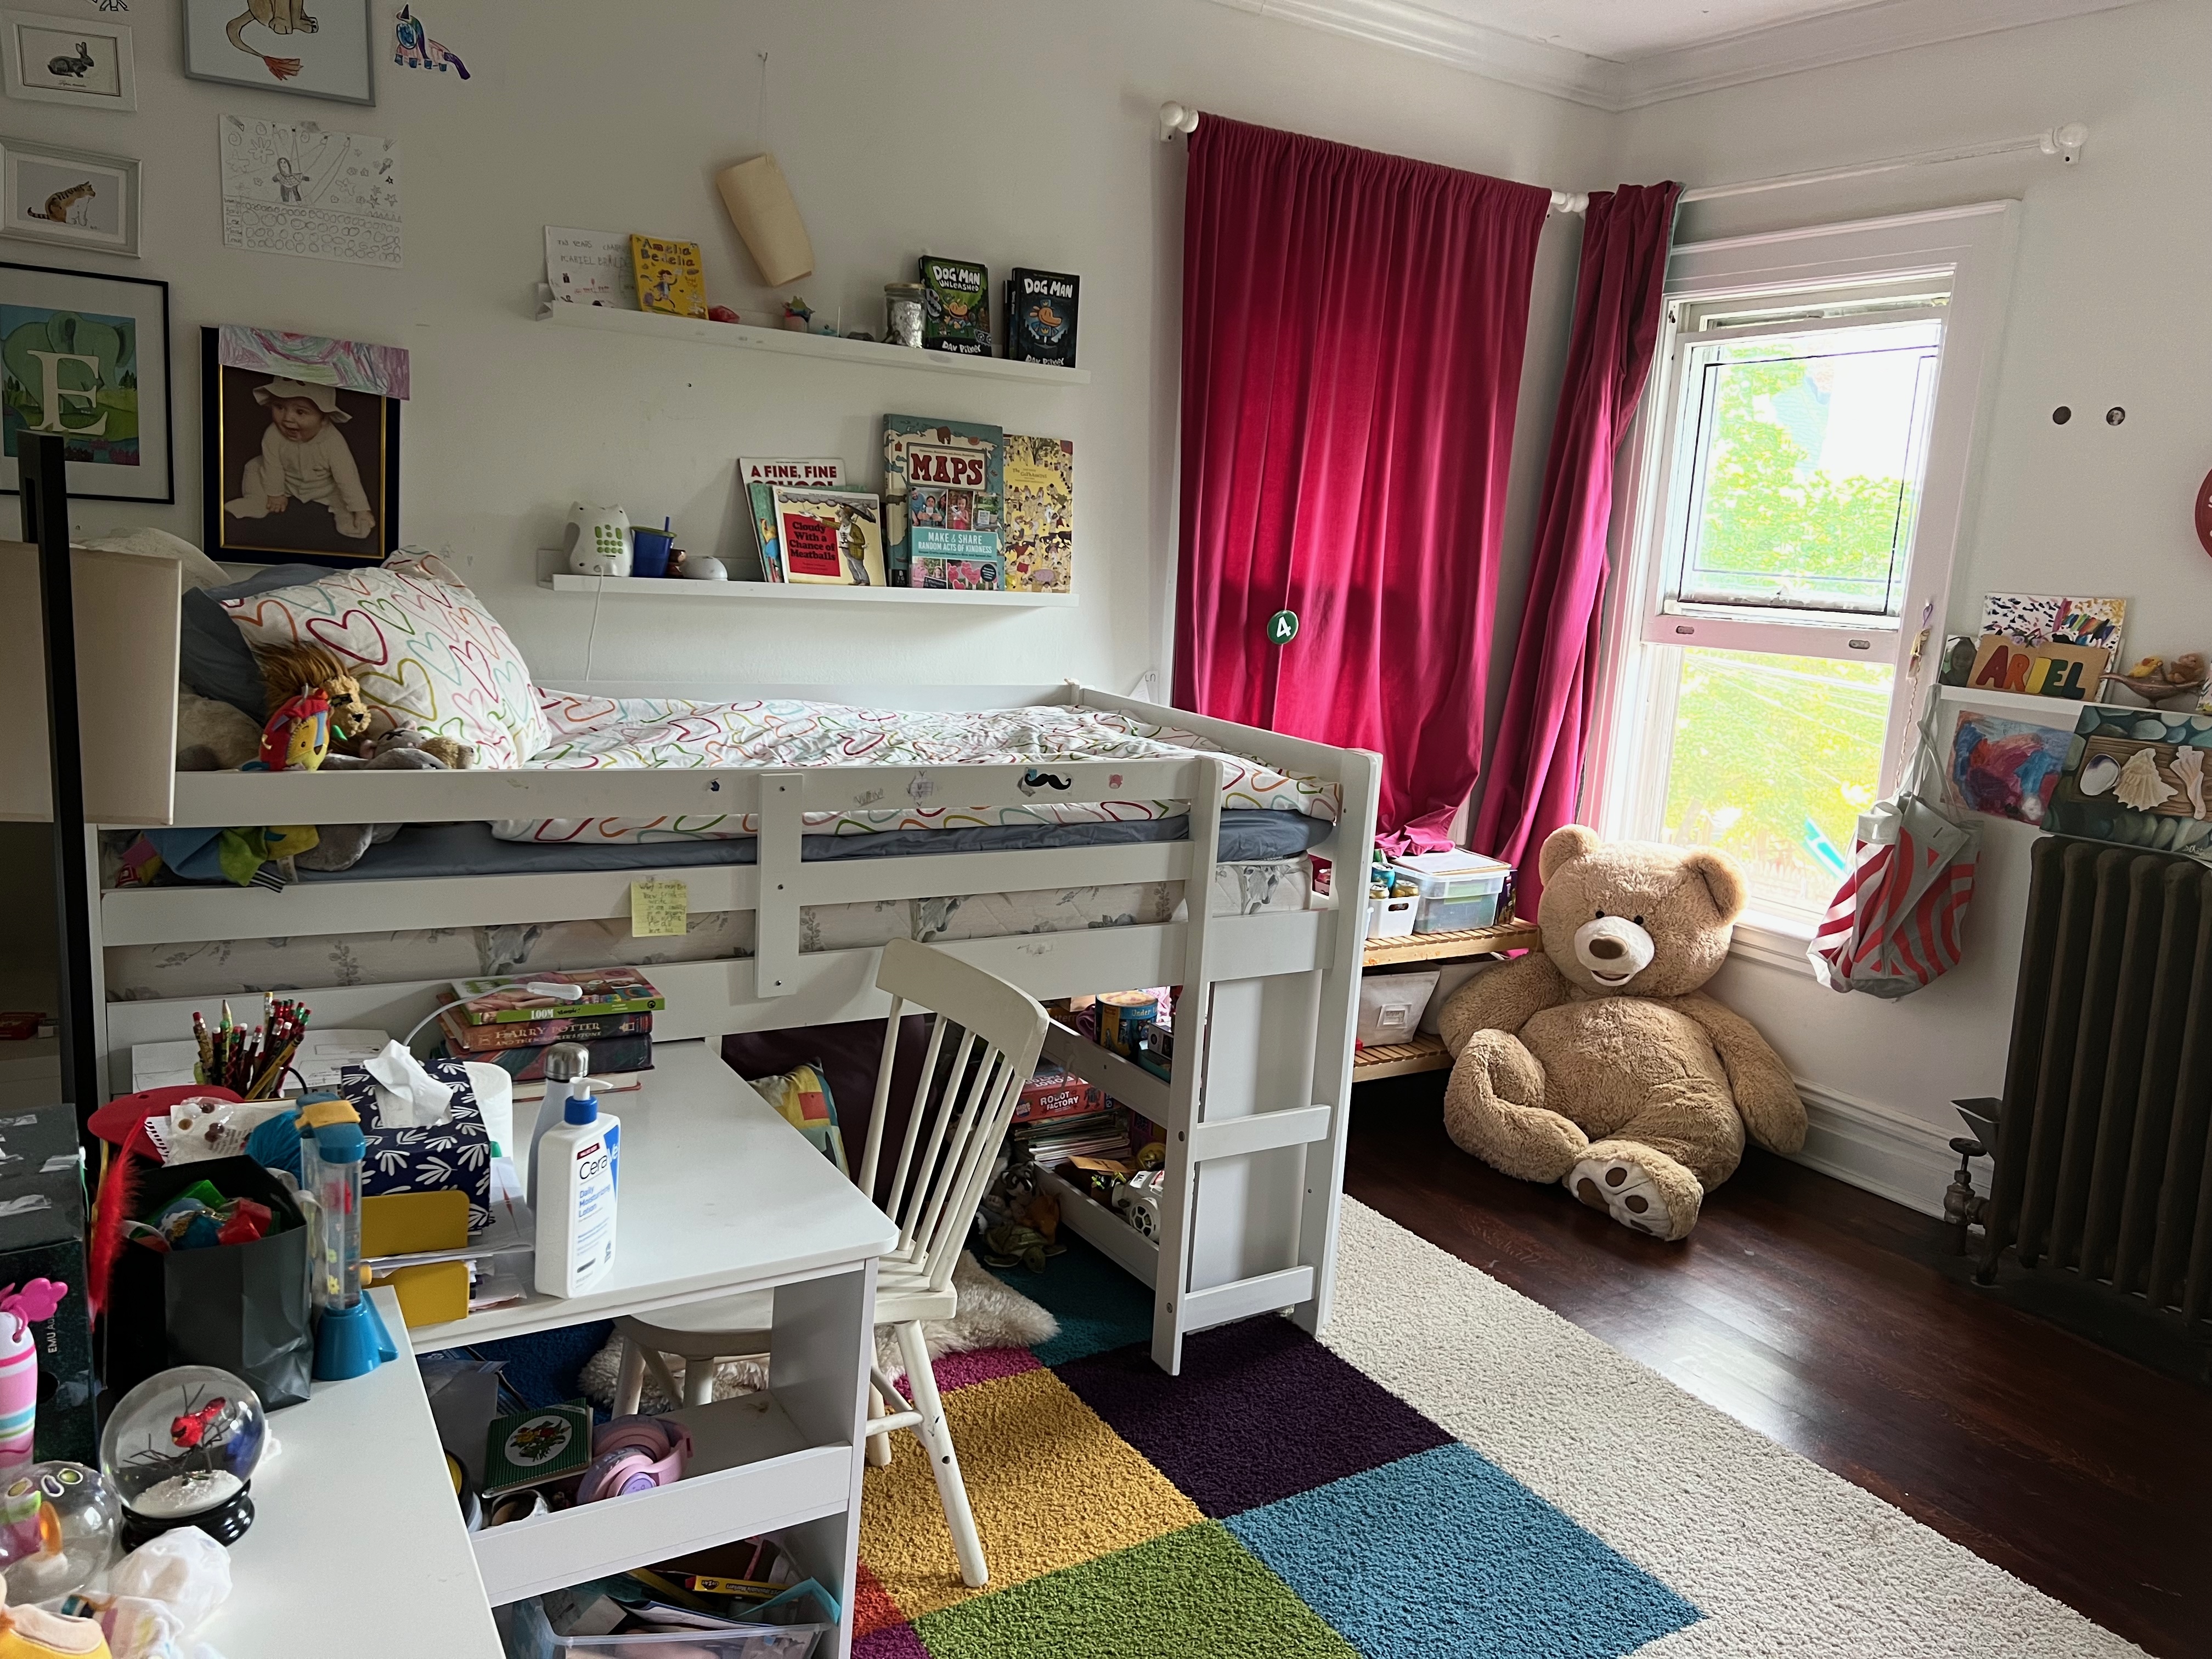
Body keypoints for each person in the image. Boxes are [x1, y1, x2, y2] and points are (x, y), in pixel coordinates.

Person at [224, 377, 376, 551]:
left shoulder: (333, 441)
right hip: (287, 482)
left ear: (324, 418)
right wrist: (276, 493)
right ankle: (256, 500)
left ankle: (349, 516)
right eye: (279, 407)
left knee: (341, 493)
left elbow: (347, 477)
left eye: (301, 412)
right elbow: (272, 465)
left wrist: (360, 509)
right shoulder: (273, 434)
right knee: (254, 466)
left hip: (323, 488)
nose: (288, 418)